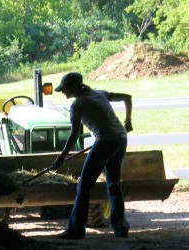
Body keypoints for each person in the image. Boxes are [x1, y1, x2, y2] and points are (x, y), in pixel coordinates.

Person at [52, 72, 133, 240]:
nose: (63, 92)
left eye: (64, 89)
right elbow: (127, 97)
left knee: (83, 187)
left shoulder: (77, 105)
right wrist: (128, 121)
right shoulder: (99, 93)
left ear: (74, 87)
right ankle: (121, 228)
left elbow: (74, 135)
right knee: (114, 184)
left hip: (105, 142)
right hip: (120, 139)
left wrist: (61, 157)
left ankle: (76, 229)